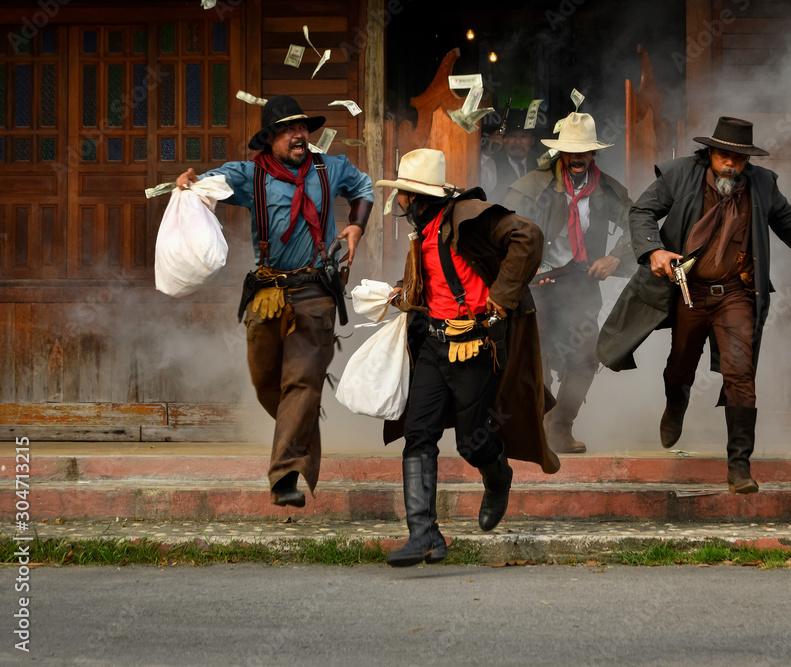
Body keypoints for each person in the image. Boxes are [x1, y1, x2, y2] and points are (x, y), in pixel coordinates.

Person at [597, 116, 791, 493]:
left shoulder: (762, 184)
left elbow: (783, 216)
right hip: (690, 289)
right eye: (723, 156)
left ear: (747, 159)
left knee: (741, 375)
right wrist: (653, 250)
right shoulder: (681, 175)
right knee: (681, 363)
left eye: (738, 158)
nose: (730, 164)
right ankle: (676, 403)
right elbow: (641, 212)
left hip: (736, 293)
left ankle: (739, 467)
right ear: (710, 153)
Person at [175, 95, 374, 507]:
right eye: (287, 129)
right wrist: (189, 184)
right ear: (269, 139)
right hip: (267, 293)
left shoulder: (330, 167)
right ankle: (300, 433)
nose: (298, 134)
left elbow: (364, 186)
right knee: (268, 384)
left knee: (301, 382)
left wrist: (356, 226)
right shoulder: (249, 175)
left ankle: (284, 477)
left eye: (301, 127)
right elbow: (207, 186)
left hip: (316, 292)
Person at [375, 148, 559, 567]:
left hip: (475, 347)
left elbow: (527, 237)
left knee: (471, 444)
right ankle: (424, 535)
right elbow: (438, 278)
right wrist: (401, 292)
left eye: (404, 195)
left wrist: (499, 303)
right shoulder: (424, 230)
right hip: (434, 347)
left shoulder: (469, 215)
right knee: (418, 433)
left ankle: (499, 477)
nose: (400, 202)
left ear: (419, 198)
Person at [503, 112, 634, 453]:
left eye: (584, 151)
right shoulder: (532, 187)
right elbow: (504, 233)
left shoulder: (605, 189)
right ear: (561, 154)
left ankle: (559, 428)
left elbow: (639, 223)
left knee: (587, 355)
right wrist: (525, 273)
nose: (577, 157)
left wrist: (615, 257)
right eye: (571, 151)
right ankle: (532, 430)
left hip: (579, 283)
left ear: (593, 154)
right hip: (537, 284)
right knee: (537, 358)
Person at [481, 109, 543, 203]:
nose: (517, 142)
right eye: (512, 136)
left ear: (532, 140)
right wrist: (486, 154)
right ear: (502, 139)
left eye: (524, 136)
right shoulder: (492, 165)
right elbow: (476, 183)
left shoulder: (540, 166)